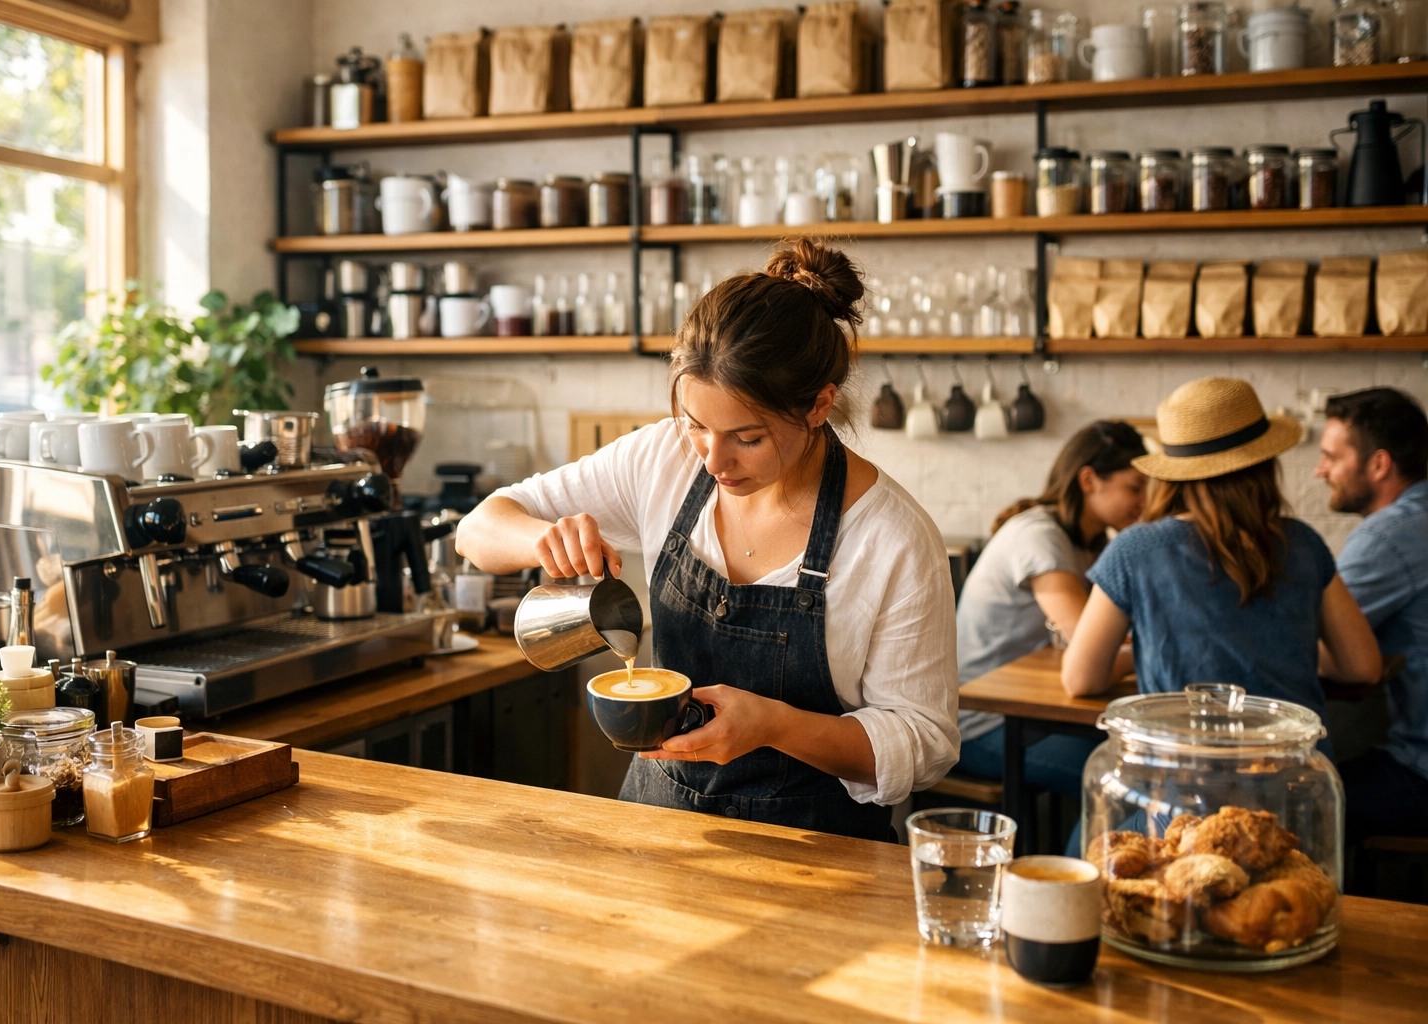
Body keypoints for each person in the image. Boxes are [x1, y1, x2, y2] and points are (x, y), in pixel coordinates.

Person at [455, 239, 959, 841]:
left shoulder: (891, 539)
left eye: (747, 437)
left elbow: (925, 744)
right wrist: (544, 538)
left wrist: (774, 725)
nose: (714, 460)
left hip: (818, 852)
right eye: (697, 425)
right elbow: (477, 529)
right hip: (657, 829)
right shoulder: (662, 458)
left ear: (820, 405)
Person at [1062, 377, 1381, 731]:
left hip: (1181, 776)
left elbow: (1080, 679)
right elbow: (1361, 665)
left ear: (1175, 475)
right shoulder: (1303, 543)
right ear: (1265, 463)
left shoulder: (1133, 551)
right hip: (1292, 775)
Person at [954, 421, 1148, 795]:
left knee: (1127, 758)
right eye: (1134, 488)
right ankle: (1069, 857)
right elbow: (1088, 647)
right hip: (978, 724)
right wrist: (1149, 653)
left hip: (1026, 711)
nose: (1143, 502)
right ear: (1089, 480)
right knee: (1118, 778)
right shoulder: (1040, 537)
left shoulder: (1089, 542)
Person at [1315, 387, 1428, 839]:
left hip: (1420, 773)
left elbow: (1317, 643)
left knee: (1295, 808)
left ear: (1379, 464)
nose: (1320, 470)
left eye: (1330, 457)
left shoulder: (1390, 535)